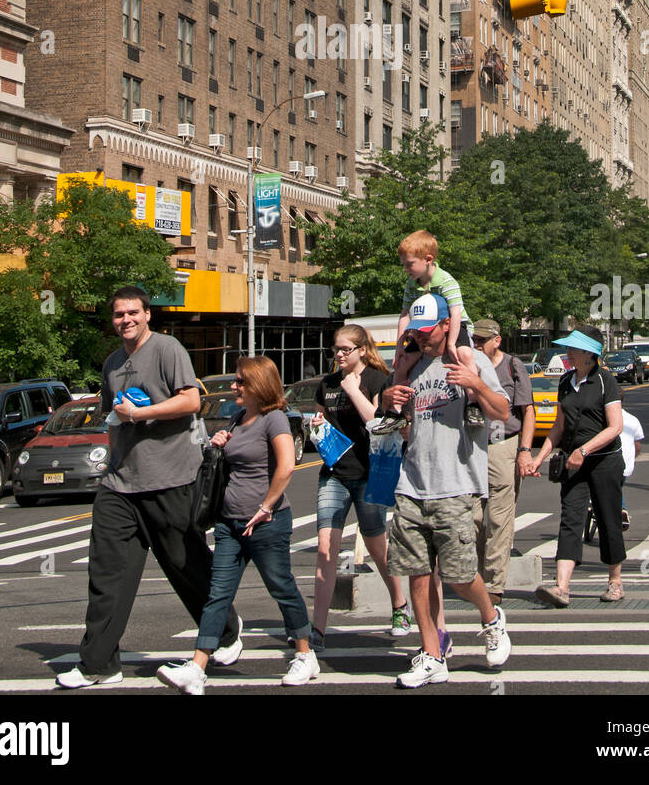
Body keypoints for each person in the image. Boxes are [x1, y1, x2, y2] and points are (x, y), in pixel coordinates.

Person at [55, 286, 241, 689]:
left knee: (183, 562)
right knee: (106, 573)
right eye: (119, 314)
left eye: (133, 313)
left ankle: (225, 629)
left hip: (171, 477)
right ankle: (99, 663)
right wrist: (117, 435)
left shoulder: (168, 349)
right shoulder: (112, 363)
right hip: (120, 483)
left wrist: (140, 414)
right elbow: (112, 414)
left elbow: (191, 401)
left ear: (147, 315)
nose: (126, 320)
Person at [157, 355, 316, 693]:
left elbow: (286, 466)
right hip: (231, 523)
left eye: (241, 381)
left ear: (259, 384)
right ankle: (197, 669)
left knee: (280, 586)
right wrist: (216, 447)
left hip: (266, 522)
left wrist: (265, 507)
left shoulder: (275, 419)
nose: (234, 387)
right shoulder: (236, 418)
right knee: (217, 594)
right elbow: (225, 467)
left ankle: (304, 654)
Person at [382, 292, 513, 688]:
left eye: (427, 331)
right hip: (412, 483)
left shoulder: (467, 359)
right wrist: (390, 397)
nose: (421, 339)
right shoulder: (410, 366)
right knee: (418, 574)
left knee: (458, 576)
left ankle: (491, 618)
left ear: (446, 325)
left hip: (456, 483)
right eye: (416, 333)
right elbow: (396, 424)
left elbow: (503, 412)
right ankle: (432, 654)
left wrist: (475, 383)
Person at [310, 324, 411, 646]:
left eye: (345, 350)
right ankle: (318, 628)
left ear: (362, 350)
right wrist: (317, 426)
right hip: (334, 473)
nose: (339, 355)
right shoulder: (326, 384)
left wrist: (353, 390)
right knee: (326, 549)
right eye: (336, 349)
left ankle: (399, 605)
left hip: (370, 474)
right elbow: (321, 419)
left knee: (377, 548)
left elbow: (379, 424)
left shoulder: (377, 381)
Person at [528, 325, 625, 607]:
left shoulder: (606, 381)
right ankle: (562, 587)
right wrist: (539, 457)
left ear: (589, 353)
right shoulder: (565, 381)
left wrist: (584, 450)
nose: (567, 353)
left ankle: (615, 581)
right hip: (573, 461)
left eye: (573, 349)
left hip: (604, 460)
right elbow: (559, 426)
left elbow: (615, 426)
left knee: (608, 519)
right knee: (570, 518)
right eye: (568, 348)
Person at [372, 229, 483, 434]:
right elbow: (405, 315)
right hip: (425, 328)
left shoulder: (446, 281)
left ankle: (473, 404)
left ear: (428, 259)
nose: (406, 269)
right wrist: (400, 346)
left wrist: (451, 343)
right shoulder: (411, 284)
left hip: (455, 325)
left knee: (465, 354)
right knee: (402, 362)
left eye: (409, 264)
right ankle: (395, 413)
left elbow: (456, 313)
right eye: (404, 264)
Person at [471, 319, 535, 603]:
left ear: (497, 340)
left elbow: (527, 411)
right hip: (472, 446)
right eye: (474, 340)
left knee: (499, 518)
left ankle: (493, 585)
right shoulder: (469, 363)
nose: (477, 345)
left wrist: (524, 451)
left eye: (482, 340)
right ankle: (476, 576)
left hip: (503, 445)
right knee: (472, 517)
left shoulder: (512, 366)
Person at [619, 403, 644, 529]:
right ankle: (622, 510)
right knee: (617, 486)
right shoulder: (632, 419)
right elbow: (638, 445)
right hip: (626, 465)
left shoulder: (601, 418)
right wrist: (631, 459)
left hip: (608, 462)